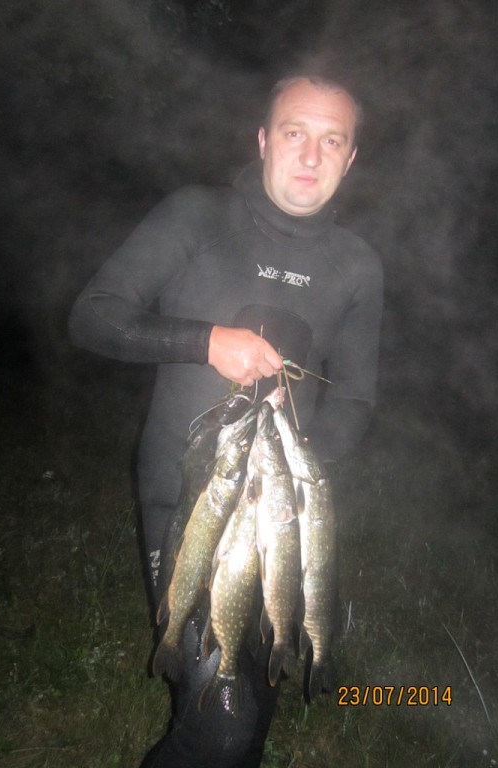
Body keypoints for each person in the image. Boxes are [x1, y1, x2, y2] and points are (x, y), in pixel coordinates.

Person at [68, 74, 383, 768]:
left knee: (252, 710)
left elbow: (357, 399)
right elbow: (92, 316)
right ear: (264, 140)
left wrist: (305, 464)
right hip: (190, 505)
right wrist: (205, 341)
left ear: (351, 157)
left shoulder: (357, 265)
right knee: (222, 725)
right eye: (295, 133)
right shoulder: (196, 216)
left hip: (281, 516)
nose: (311, 155)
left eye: (332, 141)